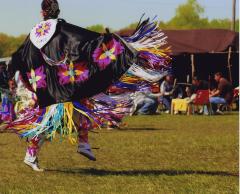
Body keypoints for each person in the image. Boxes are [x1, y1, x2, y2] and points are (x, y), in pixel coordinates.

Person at [7, 0, 171, 171]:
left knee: (71, 111)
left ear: (42, 13)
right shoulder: (62, 29)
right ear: (58, 11)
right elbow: (85, 42)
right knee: (53, 120)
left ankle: (79, 145)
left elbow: (21, 58)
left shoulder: (33, 34)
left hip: (49, 88)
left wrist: (33, 83)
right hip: (64, 86)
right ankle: (39, 153)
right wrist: (110, 41)